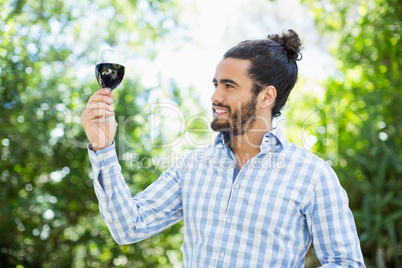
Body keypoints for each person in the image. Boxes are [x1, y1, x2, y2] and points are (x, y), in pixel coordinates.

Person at [81, 29, 366, 267]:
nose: (215, 95)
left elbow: (346, 262)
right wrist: (103, 147)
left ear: (266, 96)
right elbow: (128, 227)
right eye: (216, 84)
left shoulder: (313, 176)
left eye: (229, 86)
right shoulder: (191, 167)